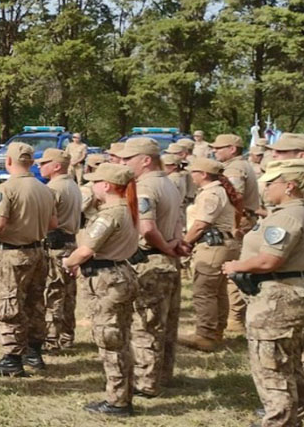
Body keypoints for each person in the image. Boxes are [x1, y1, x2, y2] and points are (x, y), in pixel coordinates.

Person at [222, 160, 304, 427]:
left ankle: (279, 420)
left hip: (278, 297)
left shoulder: (288, 216)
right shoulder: (295, 211)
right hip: (288, 293)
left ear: (289, 186)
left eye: (271, 183)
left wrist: (236, 265)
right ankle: (292, 415)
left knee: (271, 365)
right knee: (287, 360)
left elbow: (268, 261)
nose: (264, 187)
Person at [61, 163, 139, 417]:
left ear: (106, 185)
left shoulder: (110, 214)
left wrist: (69, 262)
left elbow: (86, 249)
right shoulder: (123, 209)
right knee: (120, 337)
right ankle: (121, 395)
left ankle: (117, 401)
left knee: (110, 340)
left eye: (96, 182)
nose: (92, 186)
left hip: (108, 279)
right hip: (119, 274)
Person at [0, 142, 56, 377]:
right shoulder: (45, 189)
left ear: (8, 161)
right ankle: (33, 352)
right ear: (32, 163)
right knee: (35, 303)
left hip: (12, 254)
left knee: (8, 303)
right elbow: (53, 224)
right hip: (38, 252)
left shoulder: (6, 188)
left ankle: (12, 358)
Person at [118, 137, 184, 397]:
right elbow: (178, 220)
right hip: (167, 259)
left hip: (150, 260)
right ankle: (162, 375)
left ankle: (145, 382)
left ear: (145, 160)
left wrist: (166, 247)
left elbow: (147, 228)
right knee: (166, 323)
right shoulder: (168, 183)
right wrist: (175, 243)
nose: (123, 164)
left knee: (146, 324)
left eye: (128, 159)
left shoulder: (144, 187)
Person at [265, 134, 304, 392]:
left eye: (281, 153)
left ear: (301, 156)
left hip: (301, 262)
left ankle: (302, 390)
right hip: (298, 259)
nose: (275, 156)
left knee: (300, 331)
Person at [178, 157, 241, 352]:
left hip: (213, 247)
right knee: (218, 291)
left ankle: (205, 335)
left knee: (204, 291)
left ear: (203, 174)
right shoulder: (218, 191)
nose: (191, 176)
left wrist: (185, 243)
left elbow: (201, 224)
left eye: (194, 172)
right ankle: (216, 331)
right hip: (224, 244)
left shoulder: (211, 193)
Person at [211, 133, 262, 335]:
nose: (215, 151)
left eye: (219, 147)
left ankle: (235, 318)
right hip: (243, 218)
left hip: (239, 220)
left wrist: (234, 224)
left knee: (233, 270)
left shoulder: (235, 168)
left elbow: (236, 197)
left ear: (232, 149)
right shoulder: (240, 165)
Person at [36, 148, 82, 351]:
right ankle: (66, 336)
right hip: (70, 243)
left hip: (55, 245)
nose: (39, 166)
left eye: (43, 162)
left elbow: (47, 220)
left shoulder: (53, 188)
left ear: (56, 166)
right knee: (68, 294)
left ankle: (51, 339)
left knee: (53, 292)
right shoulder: (72, 184)